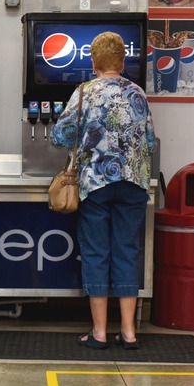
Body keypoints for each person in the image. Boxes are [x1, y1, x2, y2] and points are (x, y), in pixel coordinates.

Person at [51, 32, 155, 350]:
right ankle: (128, 331)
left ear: (93, 62)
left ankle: (98, 332)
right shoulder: (138, 93)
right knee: (127, 252)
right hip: (134, 183)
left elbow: (59, 135)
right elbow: (150, 142)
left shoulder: (84, 93)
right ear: (123, 62)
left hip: (96, 184)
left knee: (97, 254)